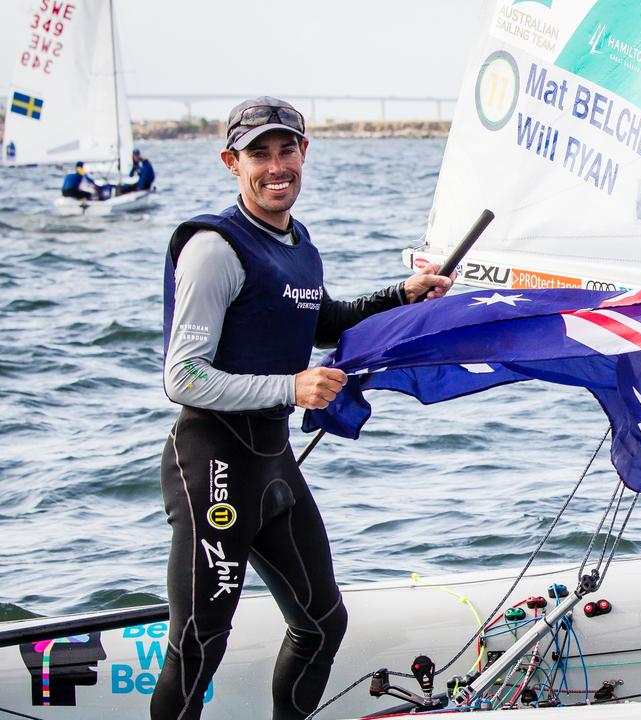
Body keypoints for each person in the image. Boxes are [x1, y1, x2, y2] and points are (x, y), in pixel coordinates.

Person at [155, 96, 454, 719]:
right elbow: (182, 378)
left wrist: (400, 295)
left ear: (304, 153)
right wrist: (290, 389)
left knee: (322, 623)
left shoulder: (296, 243)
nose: (274, 166)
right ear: (230, 162)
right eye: (258, 154)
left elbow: (317, 322)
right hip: (212, 463)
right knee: (198, 645)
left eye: (285, 149)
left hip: (271, 464)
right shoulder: (215, 248)